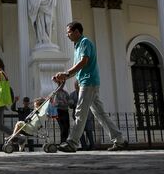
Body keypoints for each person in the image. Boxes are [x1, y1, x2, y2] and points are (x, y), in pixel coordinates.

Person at [53, 21, 127, 152]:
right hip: (86, 82)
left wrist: (66, 73)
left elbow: (84, 61)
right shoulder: (77, 45)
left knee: (80, 112)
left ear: (77, 32)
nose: (67, 35)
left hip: (89, 82)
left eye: (69, 32)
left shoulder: (84, 42)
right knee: (100, 114)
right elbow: (80, 68)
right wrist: (65, 76)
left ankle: (72, 142)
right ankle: (119, 140)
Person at [68, 80, 95, 150]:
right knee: (80, 132)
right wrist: (72, 104)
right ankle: (84, 146)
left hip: (87, 115)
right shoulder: (72, 94)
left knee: (89, 130)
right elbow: (70, 106)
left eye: (78, 85)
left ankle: (92, 145)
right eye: (76, 85)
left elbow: (89, 102)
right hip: (77, 115)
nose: (77, 86)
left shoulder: (86, 93)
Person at [51, 77, 71, 144]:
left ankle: (66, 142)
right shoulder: (56, 92)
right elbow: (55, 103)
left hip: (65, 111)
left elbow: (70, 100)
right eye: (60, 83)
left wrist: (68, 102)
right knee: (62, 127)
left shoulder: (65, 93)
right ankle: (63, 142)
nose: (62, 85)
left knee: (67, 127)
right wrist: (63, 102)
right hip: (59, 111)